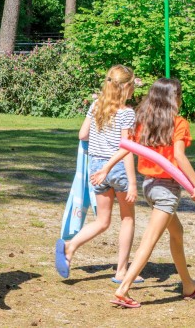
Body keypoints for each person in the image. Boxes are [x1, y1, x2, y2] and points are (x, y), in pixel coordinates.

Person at [91, 78, 195, 308]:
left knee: (177, 232)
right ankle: (123, 289)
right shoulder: (179, 123)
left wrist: (106, 167)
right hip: (166, 190)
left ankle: (188, 284)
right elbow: (179, 157)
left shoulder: (144, 122)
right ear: (173, 98)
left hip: (149, 187)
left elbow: (126, 147)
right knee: (149, 240)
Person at [55, 65, 140, 283]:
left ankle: (70, 245)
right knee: (128, 218)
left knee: (102, 221)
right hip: (117, 168)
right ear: (127, 87)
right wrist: (132, 183)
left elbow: (82, 134)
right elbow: (126, 149)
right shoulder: (127, 113)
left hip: (96, 169)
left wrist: (100, 146)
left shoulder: (96, 106)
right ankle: (121, 271)